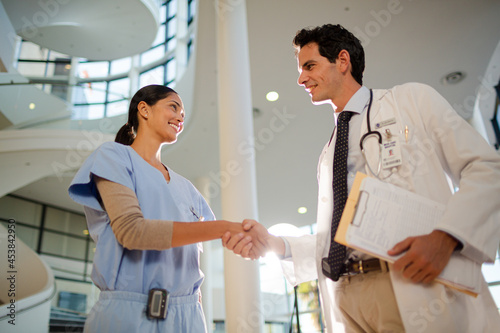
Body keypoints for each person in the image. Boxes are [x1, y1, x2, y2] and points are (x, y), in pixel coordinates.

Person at [223, 24, 500, 332]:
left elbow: (487, 167)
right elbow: (340, 235)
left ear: (342, 61)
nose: (301, 79)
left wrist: (448, 236)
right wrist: (277, 245)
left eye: (309, 66)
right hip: (345, 295)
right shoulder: (328, 153)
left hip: (404, 282)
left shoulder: (410, 101)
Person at [68, 85, 260, 332]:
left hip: (188, 315)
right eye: (174, 106)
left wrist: (245, 238)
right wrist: (225, 227)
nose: (181, 116)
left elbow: (194, 252)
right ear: (144, 109)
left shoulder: (187, 188)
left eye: (183, 112)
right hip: (128, 315)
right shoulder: (113, 157)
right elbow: (131, 232)